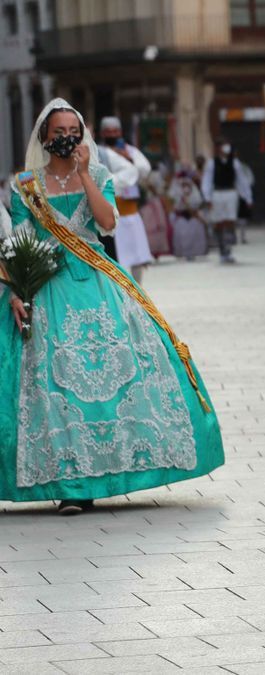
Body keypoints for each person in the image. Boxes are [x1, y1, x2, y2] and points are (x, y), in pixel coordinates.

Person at [0, 99, 223, 515]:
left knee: (112, 372)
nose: (67, 138)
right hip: (46, 285)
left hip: (96, 281)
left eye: (74, 131)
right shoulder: (26, 184)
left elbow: (106, 224)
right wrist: (16, 292)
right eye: (59, 131)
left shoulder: (99, 175)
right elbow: (18, 243)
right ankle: (72, 482)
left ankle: (115, 469)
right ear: (44, 137)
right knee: (54, 382)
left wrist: (84, 175)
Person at [98, 116, 155, 282]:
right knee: (114, 257)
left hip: (130, 212)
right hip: (109, 212)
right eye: (108, 132)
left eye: (115, 131)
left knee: (137, 254)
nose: (112, 134)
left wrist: (126, 159)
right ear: (102, 133)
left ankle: (138, 291)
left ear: (120, 132)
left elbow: (144, 169)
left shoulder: (129, 150)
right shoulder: (97, 152)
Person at [201, 139, 253, 264]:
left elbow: (242, 181)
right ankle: (222, 249)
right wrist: (207, 198)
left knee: (229, 221)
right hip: (217, 194)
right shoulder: (211, 163)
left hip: (231, 193)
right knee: (219, 222)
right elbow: (207, 181)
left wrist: (247, 197)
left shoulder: (235, 163)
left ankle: (228, 249)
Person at [169, 165, 207, 260]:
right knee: (182, 234)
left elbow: (197, 201)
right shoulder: (176, 190)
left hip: (192, 215)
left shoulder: (193, 189)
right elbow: (173, 202)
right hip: (181, 215)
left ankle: (193, 253)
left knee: (194, 233)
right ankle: (183, 253)